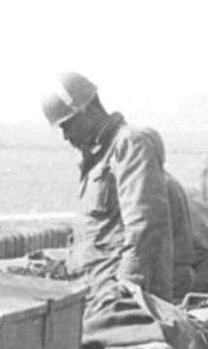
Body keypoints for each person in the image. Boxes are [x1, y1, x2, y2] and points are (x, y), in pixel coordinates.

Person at [44, 71, 188, 302]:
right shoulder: (98, 159)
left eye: (67, 125)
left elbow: (145, 224)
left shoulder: (130, 144)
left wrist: (126, 285)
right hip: (95, 292)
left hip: (119, 298)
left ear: (88, 111)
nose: (65, 136)